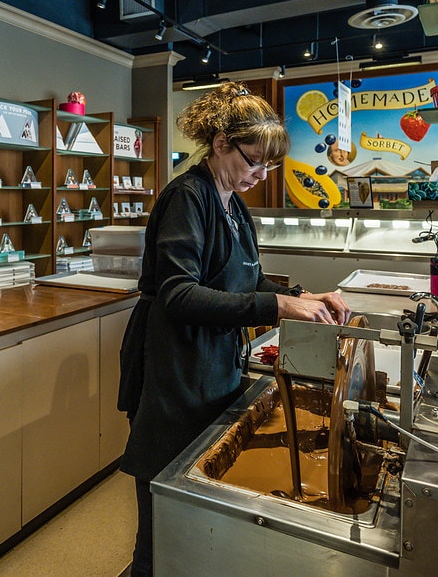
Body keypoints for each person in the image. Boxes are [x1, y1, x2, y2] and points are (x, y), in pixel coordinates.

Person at [117, 81, 351, 576]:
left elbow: (244, 279)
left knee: (198, 501)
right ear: (221, 143)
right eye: (253, 162)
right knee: (165, 516)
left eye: (269, 166)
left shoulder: (233, 203)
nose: (260, 176)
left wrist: (302, 298)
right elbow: (179, 294)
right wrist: (276, 305)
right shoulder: (188, 197)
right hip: (175, 368)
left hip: (212, 365)